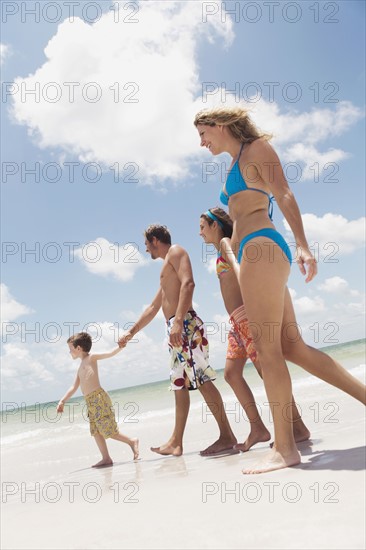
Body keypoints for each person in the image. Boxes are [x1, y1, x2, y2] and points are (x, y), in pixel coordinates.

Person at [194, 106, 366, 474]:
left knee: (268, 350)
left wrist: (303, 245)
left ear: (220, 125)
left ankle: (285, 448)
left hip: (262, 246)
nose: (202, 142)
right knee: (292, 348)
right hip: (254, 252)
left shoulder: (256, 148)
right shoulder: (235, 162)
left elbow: (284, 194)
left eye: (203, 133)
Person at [118, 224, 237, 457]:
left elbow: (189, 283)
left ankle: (227, 436)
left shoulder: (176, 251)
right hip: (175, 330)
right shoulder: (166, 267)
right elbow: (153, 307)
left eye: (146, 245)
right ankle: (176, 442)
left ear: (154, 240)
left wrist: (178, 320)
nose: (146, 250)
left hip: (184, 326)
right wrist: (130, 333)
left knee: (201, 380)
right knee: (179, 386)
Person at [200, 207, 310, 451]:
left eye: (202, 227)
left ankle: (298, 427)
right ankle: (258, 428)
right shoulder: (220, 250)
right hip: (236, 322)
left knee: (267, 370)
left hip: (248, 316)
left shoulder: (227, 243)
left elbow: (240, 270)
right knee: (231, 374)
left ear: (215, 225)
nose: (200, 233)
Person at [57, 332, 139, 467]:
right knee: (96, 431)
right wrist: (63, 400)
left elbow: (109, 354)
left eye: (70, 349)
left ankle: (132, 441)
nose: (69, 352)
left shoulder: (91, 358)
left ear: (78, 348)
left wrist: (120, 347)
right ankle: (106, 458)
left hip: (98, 398)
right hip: (90, 402)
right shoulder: (79, 367)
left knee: (107, 429)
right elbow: (73, 387)